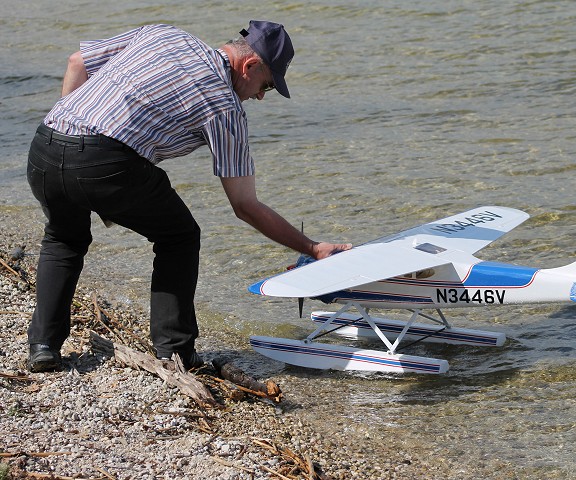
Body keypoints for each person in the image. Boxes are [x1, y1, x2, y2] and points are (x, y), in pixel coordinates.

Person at [25, 20, 351, 372]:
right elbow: (245, 206)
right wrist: (312, 248)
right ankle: (175, 352)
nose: (259, 96)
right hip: (106, 162)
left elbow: (77, 61)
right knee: (179, 237)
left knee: (63, 239)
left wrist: (71, 141)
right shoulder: (224, 108)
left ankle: (44, 346)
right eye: (267, 87)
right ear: (250, 66)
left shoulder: (164, 34)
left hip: (46, 142)